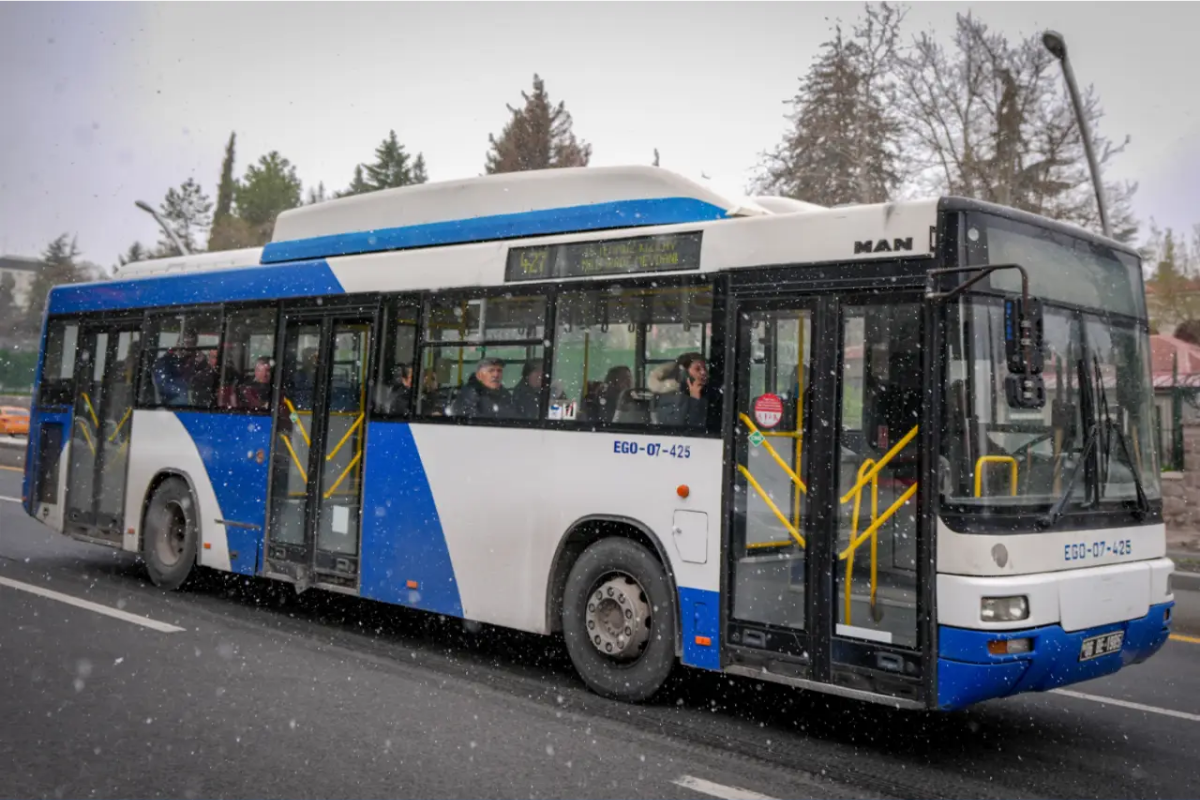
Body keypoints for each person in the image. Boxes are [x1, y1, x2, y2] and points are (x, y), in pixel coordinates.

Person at [655, 352, 711, 428]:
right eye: (697, 369)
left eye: (704, 368)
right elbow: (679, 427)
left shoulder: (707, 392)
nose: (703, 372)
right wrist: (694, 399)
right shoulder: (668, 395)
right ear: (684, 373)